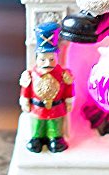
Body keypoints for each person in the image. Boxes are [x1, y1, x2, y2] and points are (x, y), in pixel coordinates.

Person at [19, 22, 74, 153]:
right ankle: (37, 138)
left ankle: (55, 138)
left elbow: (68, 88)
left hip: (56, 107)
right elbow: (26, 89)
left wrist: (69, 100)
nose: (48, 63)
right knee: (37, 124)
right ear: (37, 59)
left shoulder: (63, 74)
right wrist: (25, 100)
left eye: (51, 59)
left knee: (55, 123)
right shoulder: (31, 75)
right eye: (43, 59)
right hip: (38, 107)